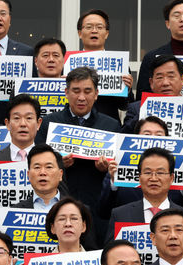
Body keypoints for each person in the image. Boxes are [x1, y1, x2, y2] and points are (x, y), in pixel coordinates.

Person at [35, 67, 120, 242]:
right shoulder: (50, 124)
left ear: (96, 94)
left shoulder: (111, 126)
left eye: (87, 91)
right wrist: (57, 165)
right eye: (76, 91)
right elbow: (38, 164)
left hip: (98, 208)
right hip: (60, 208)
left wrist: (107, 168)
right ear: (66, 92)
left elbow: (118, 171)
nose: (81, 97)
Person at [106, 147, 183, 261]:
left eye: (160, 173)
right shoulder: (120, 215)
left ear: (171, 178)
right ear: (139, 177)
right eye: (148, 172)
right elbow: (109, 258)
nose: (153, 178)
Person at [136, 0, 183, 100]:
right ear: (167, 24)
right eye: (176, 16)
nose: (182, 19)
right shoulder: (151, 58)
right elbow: (141, 98)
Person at [76, 9, 134, 124]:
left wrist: (128, 90)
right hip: (75, 125)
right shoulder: (69, 64)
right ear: (80, 33)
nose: (94, 31)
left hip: (107, 126)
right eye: (88, 27)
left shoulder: (119, 64)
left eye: (99, 27)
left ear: (106, 33)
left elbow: (125, 107)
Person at [0, 94, 41, 162]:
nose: (23, 124)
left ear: (38, 124)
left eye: (29, 118)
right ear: (7, 124)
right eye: (16, 118)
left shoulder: (51, 160)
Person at [11, 144, 64, 211]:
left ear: (60, 175)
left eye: (49, 167)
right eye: (37, 167)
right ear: (28, 175)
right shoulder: (15, 211)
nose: (42, 172)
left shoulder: (75, 209)